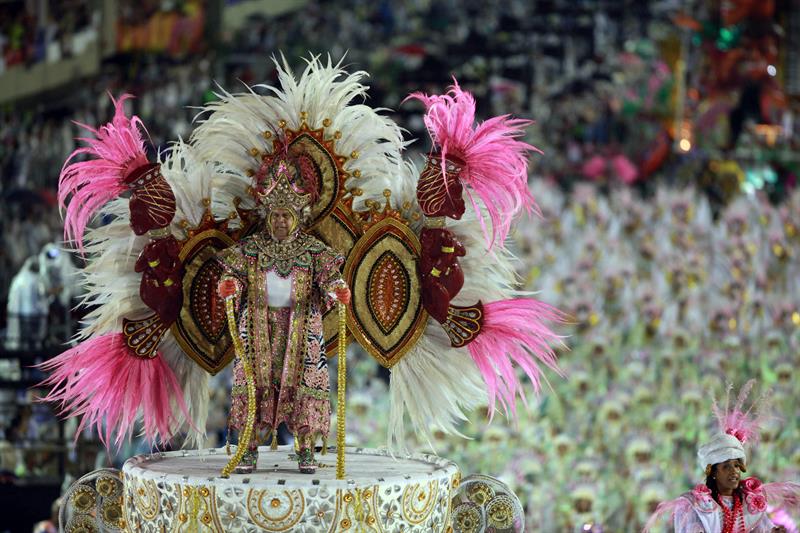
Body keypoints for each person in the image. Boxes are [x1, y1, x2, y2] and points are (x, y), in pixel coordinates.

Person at [216, 154, 350, 474]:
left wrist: (337, 289)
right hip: (258, 325)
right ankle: (248, 448)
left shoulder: (313, 250)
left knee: (304, 385)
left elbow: (329, 278)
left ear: (297, 218)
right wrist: (230, 285)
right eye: (275, 215)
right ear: (267, 216)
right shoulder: (250, 248)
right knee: (252, 384)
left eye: (285, 216)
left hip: (302, 326)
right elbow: (230, 275)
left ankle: (305, 448)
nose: (279, 222)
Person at [644, 381, 799, 533]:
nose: (734, 472)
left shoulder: (750, 504)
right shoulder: (696, 506)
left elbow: (763, 529)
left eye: (737, 466)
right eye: (726, 466)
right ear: (712, 471)